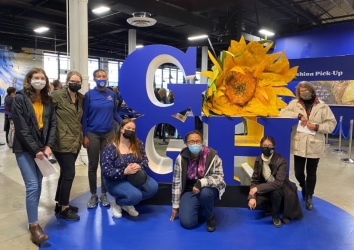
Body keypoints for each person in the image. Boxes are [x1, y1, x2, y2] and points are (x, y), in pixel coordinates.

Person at [11, 68, 56, 245]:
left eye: (42, 78)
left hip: (42, 150)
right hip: (24, 149)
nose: (39, 80)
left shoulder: (48, 100)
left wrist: (48, 145)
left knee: (38, 185)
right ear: (29, 80)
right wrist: (36, 149)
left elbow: (52, 124)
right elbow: (21, 127)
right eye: (36, 78)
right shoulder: (20, 98)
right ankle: (34, 226)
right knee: (32, 186)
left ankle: (33, 219)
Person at [280, 81, 336, 210]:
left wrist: (317, 126)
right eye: (301, 91)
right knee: (298, 172)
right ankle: (303, 186)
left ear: (311, 90)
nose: (303, 92)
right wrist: (298, 115)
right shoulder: (294, 104)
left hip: (314, 144)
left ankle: (309, 196)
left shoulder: (322, 106)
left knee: (311, 172)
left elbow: (331, 124)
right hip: (299, 142)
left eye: (305, 90)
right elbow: (282, 113)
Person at [82, 69, 123, 208]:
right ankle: (93, 195)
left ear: (107, 78)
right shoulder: (88, 96)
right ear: (94, 79)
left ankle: (104, 193)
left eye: (103, 76)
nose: (101, 78)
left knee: (106, 165)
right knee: (93, 165)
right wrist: (84, 135)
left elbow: (115, 113)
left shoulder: (112, 94)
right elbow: (84, 117)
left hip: (108, 134)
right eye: (98, 76)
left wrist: (125, 123)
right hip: (93, 134)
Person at [170, 130, 226, 232]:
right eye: (191, 142)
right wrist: (175, 205)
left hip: (208, 189)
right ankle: (199, 205)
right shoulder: (180, 158)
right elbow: (176, 182)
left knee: (205, 194)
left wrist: (201, 183)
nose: (195, 144)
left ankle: (210, 216)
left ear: (202, 142)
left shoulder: (213, 156)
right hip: (189, 190)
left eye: (198, 141)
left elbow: (219, 178)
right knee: (187, 223)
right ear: (186, 144)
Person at [101, 119, 158, 218]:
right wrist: (124, 171)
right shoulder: (110, 147)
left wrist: (139, 165)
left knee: (153, 188)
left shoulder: (138, 144)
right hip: (114, 181)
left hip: (135, 178)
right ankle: (117, 202)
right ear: (121, 129)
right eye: (128, 128)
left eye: (133, 129)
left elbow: (145, 160)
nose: (130, 131)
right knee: (136, 196)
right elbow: (106, 172)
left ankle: (125, 203)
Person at [248, 136, 303, 228]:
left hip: (281, 189)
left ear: (274, 147)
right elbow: (254, 180)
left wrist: (257, 188)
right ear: (261, 146)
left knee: (276, 192)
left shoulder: (281, 161)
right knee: (254, 203)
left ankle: (275, 216)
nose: (267, 148)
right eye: (264, 145)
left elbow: (278, 183)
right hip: (267, 188)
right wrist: (252, 197)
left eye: (270, 145)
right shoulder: (258, 160)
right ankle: (270, 206)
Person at [51, 71, 84, 221]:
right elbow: (48, 115)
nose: (75, 83)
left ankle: (59, 204)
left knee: (65, 174)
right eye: (73, 80)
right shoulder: (57, 96)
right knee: (69, 174)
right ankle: (64, 208)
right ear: (67, 81)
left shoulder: (81, 98)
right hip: (61, 141)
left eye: (78, 81)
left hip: (75, 141)